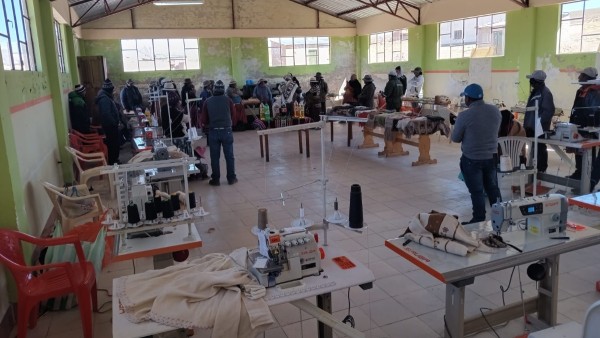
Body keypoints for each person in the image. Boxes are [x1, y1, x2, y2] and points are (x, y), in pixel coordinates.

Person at [451, 83, 502, 225]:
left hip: (472, 159)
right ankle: (502, 215)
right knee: (493, 189)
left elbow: (455, 138)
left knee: (477, 191)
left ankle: (479, 219)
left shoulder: (464, 116)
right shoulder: (495, 111)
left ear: (468, 99)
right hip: (491, 157)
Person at [200, 80, 237, 186]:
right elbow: (233, 116)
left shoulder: (208, 101)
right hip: (227, 130)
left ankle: (215, 179)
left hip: (213, 132)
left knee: (215, 157)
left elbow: (203, 119)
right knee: (229, 156)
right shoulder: (228, 100)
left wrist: (209, 125)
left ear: (214, 89)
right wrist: (230, 125)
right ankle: (231, 178)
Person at [568, 67, 600, 180]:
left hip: (588, 128)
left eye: (581, 75)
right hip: (578, 125)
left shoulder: (594, 92)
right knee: (579, 152)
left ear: (587, 77)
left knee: (587, 153)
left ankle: (587, 176)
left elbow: (593, 111)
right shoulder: (581, 90)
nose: (579, 77)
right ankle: (579, 172)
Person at [523, 70, 555, 173]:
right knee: (534, 148)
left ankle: (541, 169)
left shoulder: (545, 93)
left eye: (531, 80)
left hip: (539, 127)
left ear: (536, 81)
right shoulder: (536, 91)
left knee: (540, 147)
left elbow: (549, 111)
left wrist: (538, 123)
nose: (530, 82)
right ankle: (534, 168)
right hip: (531, 126)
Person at [95, 79, 121, 164]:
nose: (113, 91)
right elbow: (106, 114)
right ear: (109, 89)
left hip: (110, 125)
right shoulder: (104, 99)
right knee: (112, 144)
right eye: (112, 90)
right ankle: (113, 161)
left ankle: (114, 160)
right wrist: (114, 122)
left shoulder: (106, 96)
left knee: (113, 143)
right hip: (110, 126)